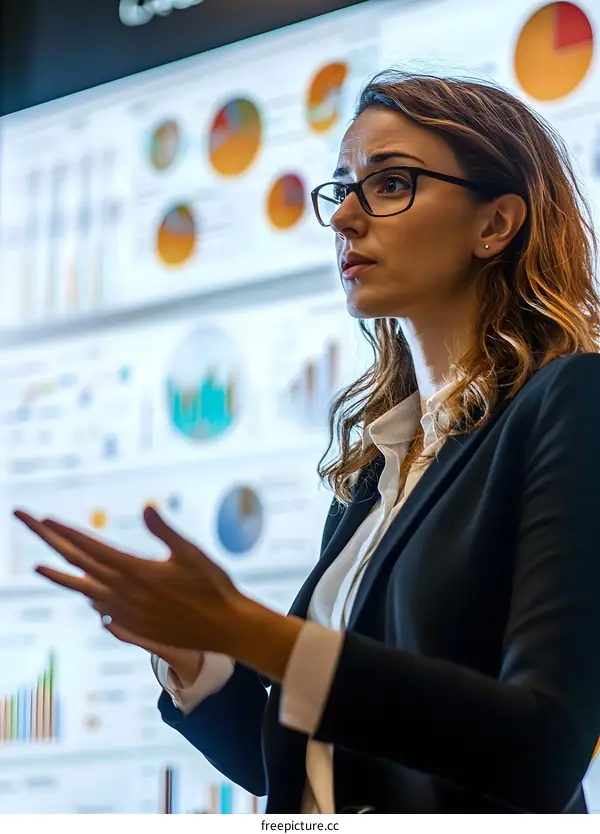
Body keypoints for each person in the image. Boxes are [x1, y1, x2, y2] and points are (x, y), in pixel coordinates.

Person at [16, 69, 600, 814]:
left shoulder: (571, 403)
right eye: (342, 190)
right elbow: (294, 763)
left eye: (390, 184)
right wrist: (196, 650)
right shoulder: (377, 470)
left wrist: (253, 630)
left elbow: (542, 748)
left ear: (496, 224)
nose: (344, 219)